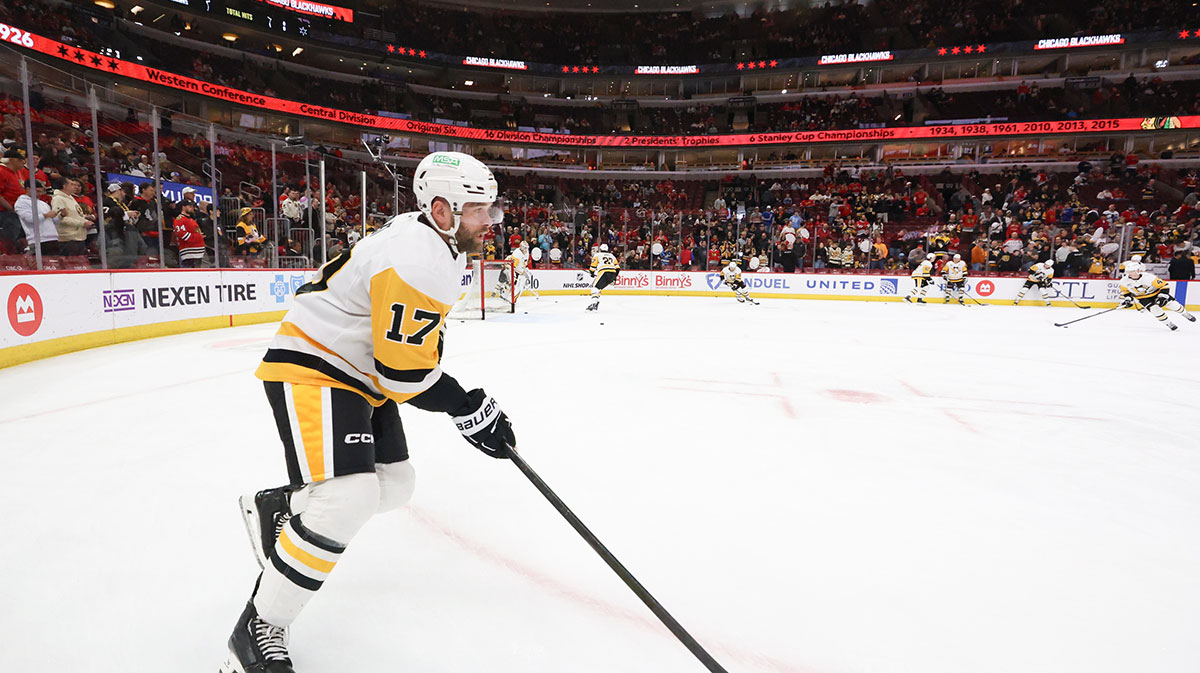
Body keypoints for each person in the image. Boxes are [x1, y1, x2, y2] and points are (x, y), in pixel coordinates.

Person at [219, 151, 515, 673]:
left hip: (358, 374)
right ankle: (259, 627)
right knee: (349, 496)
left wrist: (466, 408)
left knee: (395, 485)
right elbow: (403, 377)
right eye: (479, 211)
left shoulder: (436, 243)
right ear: (443, 211)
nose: (490, 222)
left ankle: (282, 508)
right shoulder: (417, 258)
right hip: (315, 364)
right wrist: (467, 407)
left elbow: (404, 360)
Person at [1118, 260, 1195, 331]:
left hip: (1157, 293)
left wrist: (1162, 296)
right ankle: (1168, 323)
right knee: (1155, 310)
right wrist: (1127, 300)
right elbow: (1125, 292)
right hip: (1143, 298)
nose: (1130, 274)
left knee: (1174, 305)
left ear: (1138, 270)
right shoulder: (1124, 281)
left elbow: (1164, 285)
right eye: (1129, 272)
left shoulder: (1149, 277)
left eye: (1132, 271)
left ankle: (1185, 314)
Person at [50, 177, 94, 256]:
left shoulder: (70, 198)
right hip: (68, 239)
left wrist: (85, 219)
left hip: (78, 237)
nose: (75, 186)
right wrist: (82, 223)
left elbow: (75, 214)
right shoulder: (58, 199)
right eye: (72, 184)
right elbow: (60, 219)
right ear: (64, 186)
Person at [15, 181, 61, 254]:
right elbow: (29, 219)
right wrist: (46, 215)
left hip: (53, 238)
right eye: (37, 191)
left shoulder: (44, 204)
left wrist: (61, 215)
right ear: (28, 189)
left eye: (41, 192)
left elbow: (53, 221)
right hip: (38, 240)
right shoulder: (21, 203)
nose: (39, 194)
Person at [586, 242, 619, 311]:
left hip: (604, 272)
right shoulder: (612, 256)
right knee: (598, 288)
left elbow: (593, 266)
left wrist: (591, 273)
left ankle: (594, 304)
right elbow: (618, 268)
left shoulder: (597, 255)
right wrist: (614, 277)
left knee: (595, 288)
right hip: (612, 273)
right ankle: (595, 302)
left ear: (600, 249)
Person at [173, 200, 206, 267]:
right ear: (183, 207)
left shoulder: (191, 220)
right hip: (189, 253)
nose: (192, 208)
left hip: (198, 253)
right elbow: (183, 235)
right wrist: (199, 236)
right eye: (190, 206)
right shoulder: (180, 219)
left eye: (192, 206)